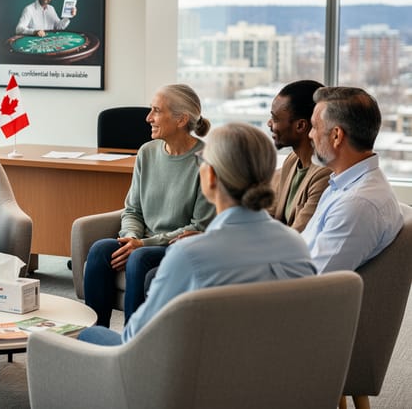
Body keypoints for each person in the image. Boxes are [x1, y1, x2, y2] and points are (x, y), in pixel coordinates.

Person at [79, 123, 317, 346]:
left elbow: (136, 338)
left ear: (210, 176)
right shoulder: (295, 245)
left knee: (88, 334)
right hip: (270, 373)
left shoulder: (190, 255)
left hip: (188, 381)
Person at [83, 84, 215, 327]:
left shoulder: (206, 160)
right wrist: (130, 238)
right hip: (140, 241)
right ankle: (94, 333)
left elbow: (198, 226)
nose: (148, 118)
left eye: (156, 111)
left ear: (181, 119)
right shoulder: (147, 152)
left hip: (176, 246)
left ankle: (133, 340)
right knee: (101, 249)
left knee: (139, 258)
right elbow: (133, 209)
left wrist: (142, 243)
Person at [302, 86, 403, 272]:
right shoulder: (343, 185)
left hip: (292, 297)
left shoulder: (357, 205)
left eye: (315, 127)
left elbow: (312, 282)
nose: (310, 135)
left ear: (336, 136)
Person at [267, 80, 331, 231]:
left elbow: (298, 237)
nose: (269, 124)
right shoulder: (293, 160)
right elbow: (268, 213)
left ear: (300, 126)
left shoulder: (325, 174)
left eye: (275, 119)